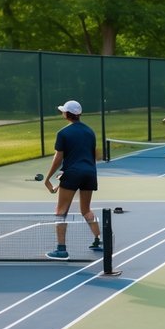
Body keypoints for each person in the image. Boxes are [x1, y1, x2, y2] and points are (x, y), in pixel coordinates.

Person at [42, 100, 102, 260]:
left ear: (67, 114)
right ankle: (99, 240)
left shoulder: (63, 133)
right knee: (86, 209)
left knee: (61, 212)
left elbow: (58, 158)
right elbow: (95, 155)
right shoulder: (90, 132)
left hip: (73, 174)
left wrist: (48, 178)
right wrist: (72, 171)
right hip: (89, 173)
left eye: (63, 111)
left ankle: (61, 250)